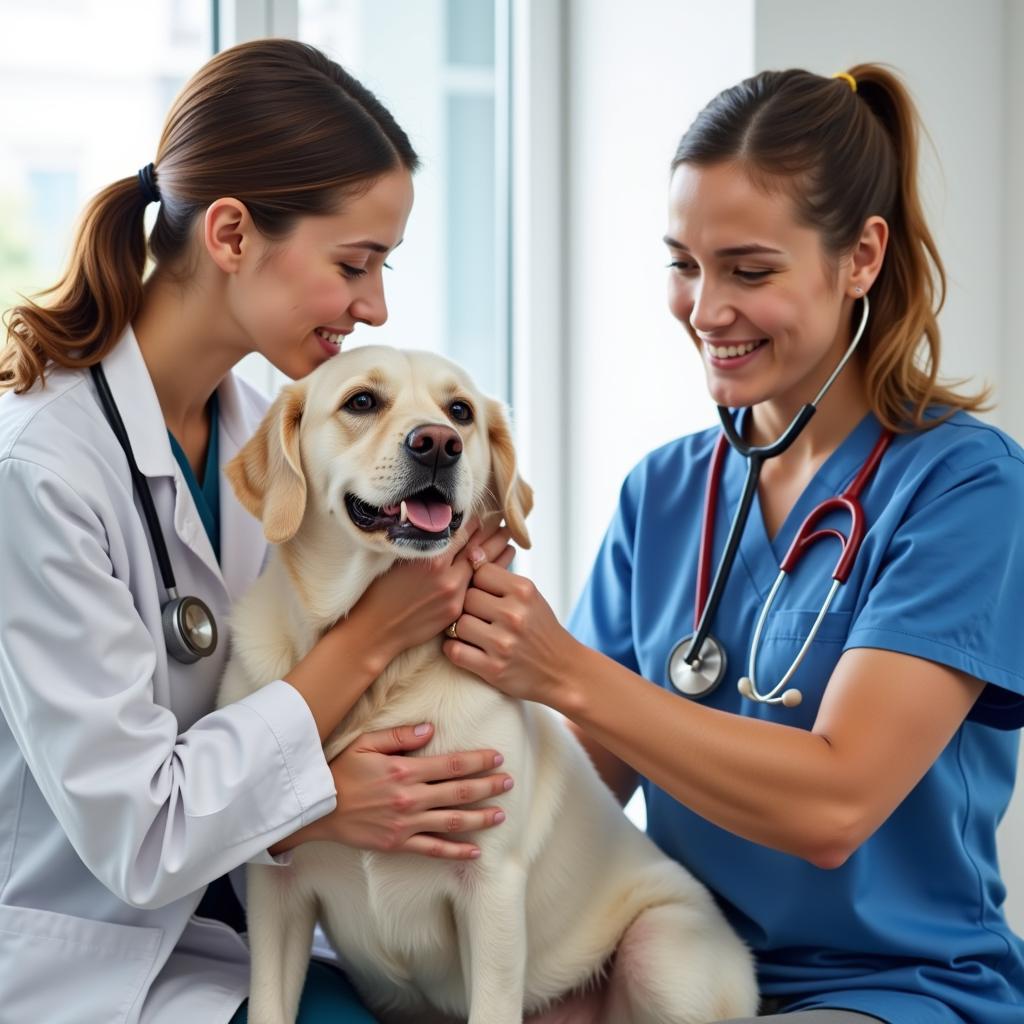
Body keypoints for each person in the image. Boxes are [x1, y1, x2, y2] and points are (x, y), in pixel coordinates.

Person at [445, 65, 1024, 1023]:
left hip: (888, 989)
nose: (705, 310)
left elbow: (833, 807)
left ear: (862, 258)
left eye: (749, 271)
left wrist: (560, 670)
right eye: (684, 264)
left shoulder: (964, 489)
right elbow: (575, 790)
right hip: (673, 958)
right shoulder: (665, 493)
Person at [0, 39, 515, 1024]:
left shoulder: (263, 434)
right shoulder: (39, 471)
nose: (375, 305)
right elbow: (140, 832)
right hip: (83, 963)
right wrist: (363, 663)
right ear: (232, 235)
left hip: (236, 925)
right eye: (353, 263)